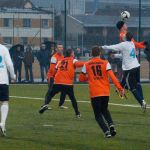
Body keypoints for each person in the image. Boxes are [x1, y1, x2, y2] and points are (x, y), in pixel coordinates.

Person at [79, 46, 124, 138]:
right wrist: (120, 88)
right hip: (105, 92)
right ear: (100, 53)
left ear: (91, 54)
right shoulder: (105, 63)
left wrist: (89, 77)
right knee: (104, 109)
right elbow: (112, 77)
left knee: (97, 115)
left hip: (95, 93)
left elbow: (81, 78)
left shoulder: (87, 64)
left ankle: (106, 132)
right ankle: (111, 125)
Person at [102, 32, 146, 112]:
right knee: (138, 84)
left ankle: (141, 102)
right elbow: (125, 54)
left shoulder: (123, 44)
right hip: (137, 66)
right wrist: (115, 56)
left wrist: (103, 47)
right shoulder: (131, 43)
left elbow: (113, 47)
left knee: (132, 87)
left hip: (130, 68)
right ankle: (142, 100)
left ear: (125, 38)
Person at [39, 48, 84, 117]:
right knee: (72, 99)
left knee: (50, 94)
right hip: (67, 83)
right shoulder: (73, 60)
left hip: (58, 82)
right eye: (73, 53)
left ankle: (46, 104)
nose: (74, 54)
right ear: (71, 54)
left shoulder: (60, 61)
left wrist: (53, 76)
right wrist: (88, 63)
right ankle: (77, 113)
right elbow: (79, 64)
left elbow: (55, 70)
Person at [0, 44, 16, 136]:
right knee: (4, 102)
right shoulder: (3, 49)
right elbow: (9, 64)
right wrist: (13, 76)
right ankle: (2, 123)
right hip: (2, 81)